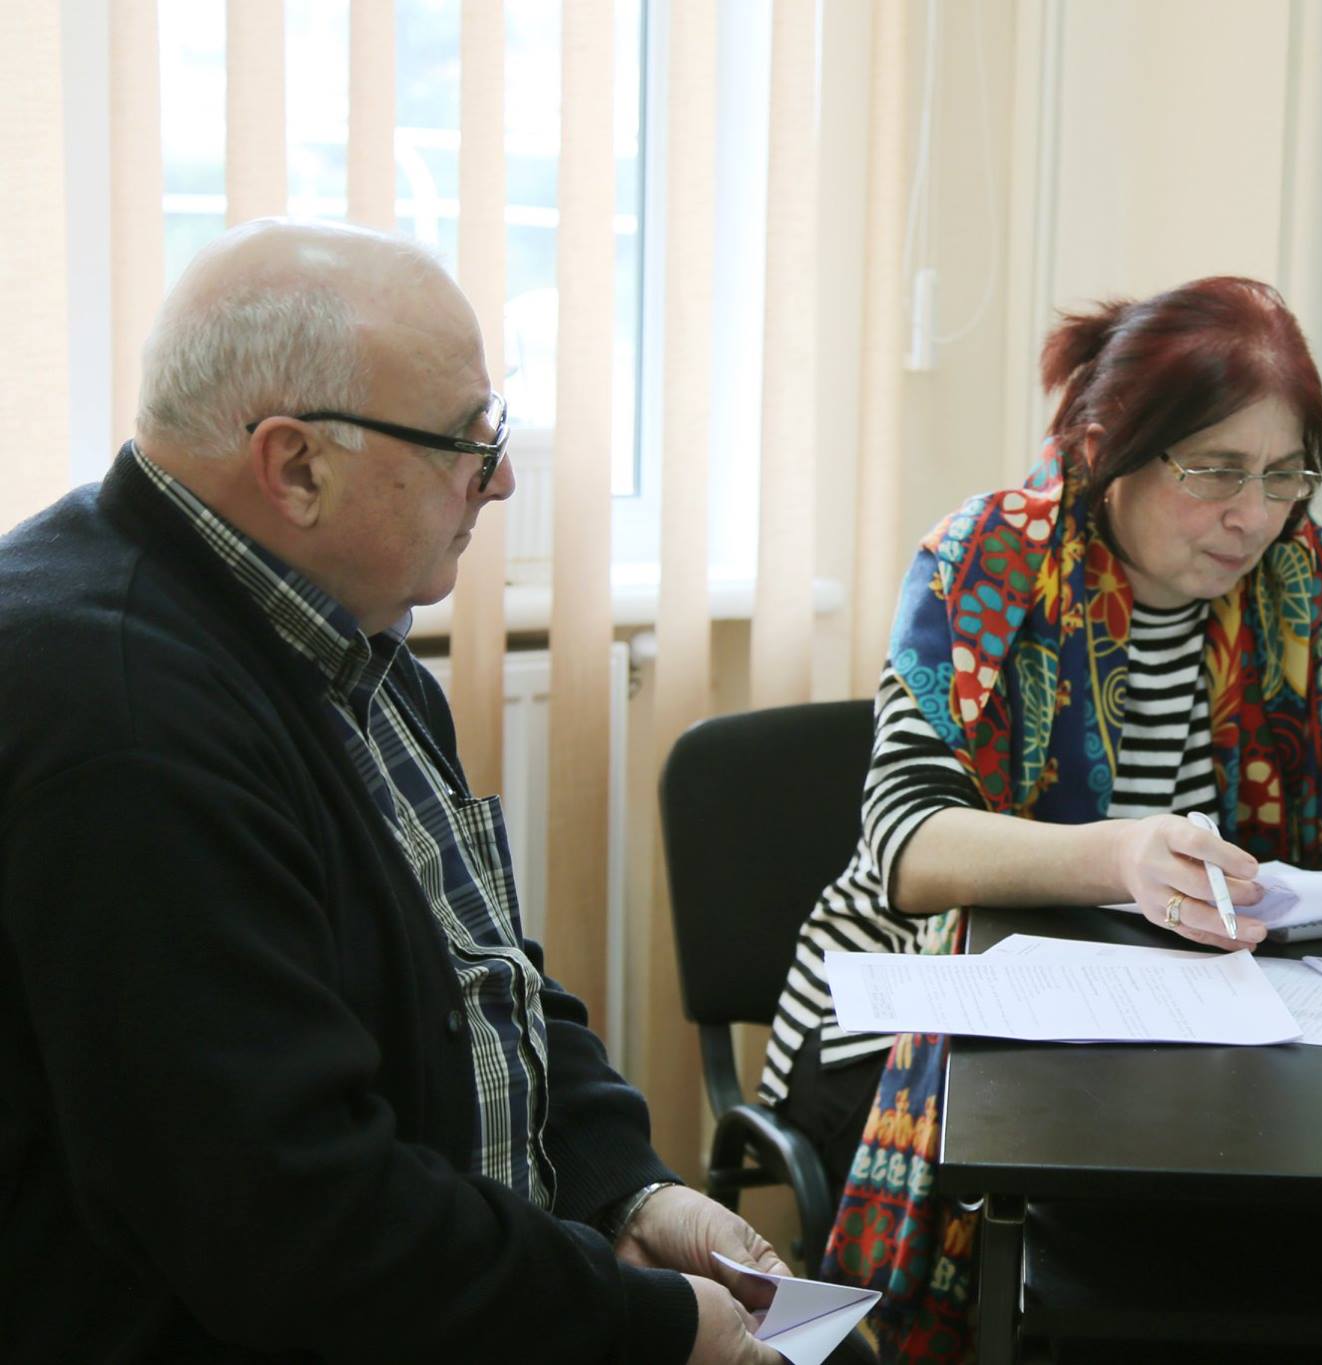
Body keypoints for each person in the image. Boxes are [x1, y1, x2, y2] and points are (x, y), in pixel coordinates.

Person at [0, 221, 807, 1363]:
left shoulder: (339, 634)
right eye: (468, 442)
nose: (504, 478)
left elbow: (486, 981)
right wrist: (652, 1324)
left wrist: (627, 1187)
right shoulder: (121, 723)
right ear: (295, 467)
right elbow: (296, 1228)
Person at [761, 276, 1322, 1356]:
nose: (1253, 515)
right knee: (1114, 1247)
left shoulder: (1304, 575)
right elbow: (908, 840)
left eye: (1283, 475)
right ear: (1106, 449)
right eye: (1215, 471)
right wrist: (1120, 856)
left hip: (1176, 1013)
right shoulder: (987, 560)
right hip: (909, 1002)